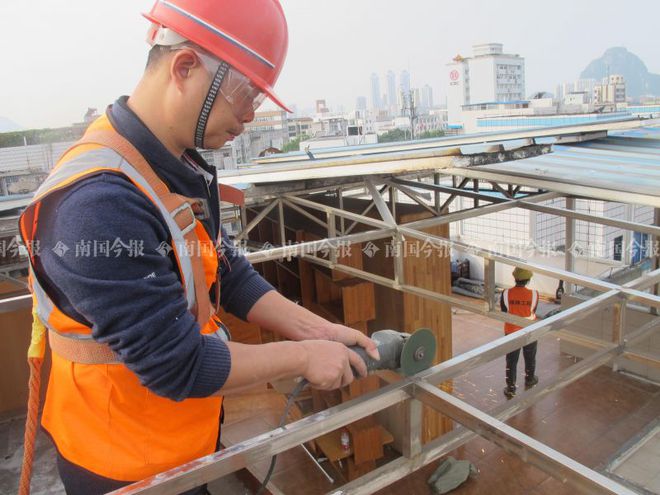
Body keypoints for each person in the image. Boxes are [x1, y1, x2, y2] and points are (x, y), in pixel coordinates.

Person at [18, 1, 378, 494]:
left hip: (183, 438)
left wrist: (319, 329)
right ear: (185, 67)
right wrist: (303, 356)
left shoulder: (173, 163)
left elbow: (225, 271)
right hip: (123, 463)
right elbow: (178, 364)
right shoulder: (97, 205)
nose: (250, 117)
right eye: (245, 93)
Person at [501, 268, 540, 398]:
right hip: (529, 331)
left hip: (511, 331)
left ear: (515, 278)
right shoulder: (535, 294)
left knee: (511, 360)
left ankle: (511, 387)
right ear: (528, 280)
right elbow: (533, 310)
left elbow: (503, 310)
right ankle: (530, 379)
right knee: (530, 356)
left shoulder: (505, 293)